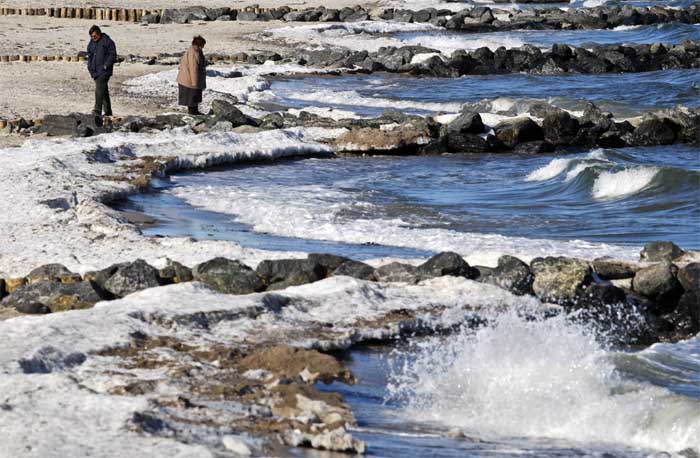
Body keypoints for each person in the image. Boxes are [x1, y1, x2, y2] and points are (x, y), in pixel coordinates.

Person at [86, 25, 117, 117]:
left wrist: (106, 66)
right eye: (91, 36)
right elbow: (89, 54)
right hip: (94, 70)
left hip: (104, 71)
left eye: (94, 36)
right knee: (103, 91)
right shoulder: (91, 42)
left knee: (99, 89)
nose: (93, 38)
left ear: (99, 33)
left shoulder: (108, 42)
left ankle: (97, 110)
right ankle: (108, 112)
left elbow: (112, 55)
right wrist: (90, 67)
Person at [177, 36, 207, 115]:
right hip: (188, 80)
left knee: (193, 97)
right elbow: (194, 69)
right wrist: (195, 82)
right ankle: (193, 113)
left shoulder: (194, 50)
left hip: (187, 79)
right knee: (192, 97)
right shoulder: (194, 53)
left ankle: (194, 111)